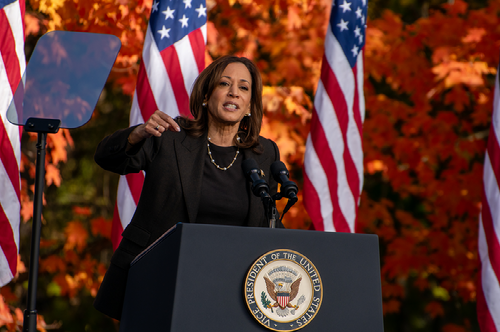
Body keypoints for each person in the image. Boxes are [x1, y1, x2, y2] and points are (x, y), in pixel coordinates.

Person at [93, 55, 285, 320]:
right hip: (160, 278)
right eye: (224, 84)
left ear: (250, 105)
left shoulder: (264, 154)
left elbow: (268, 222)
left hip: (232, 289)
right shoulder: (171, 137)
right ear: (206, 96)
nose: (233, 92)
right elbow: (107, 157)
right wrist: (137, 133)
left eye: (243, 87)